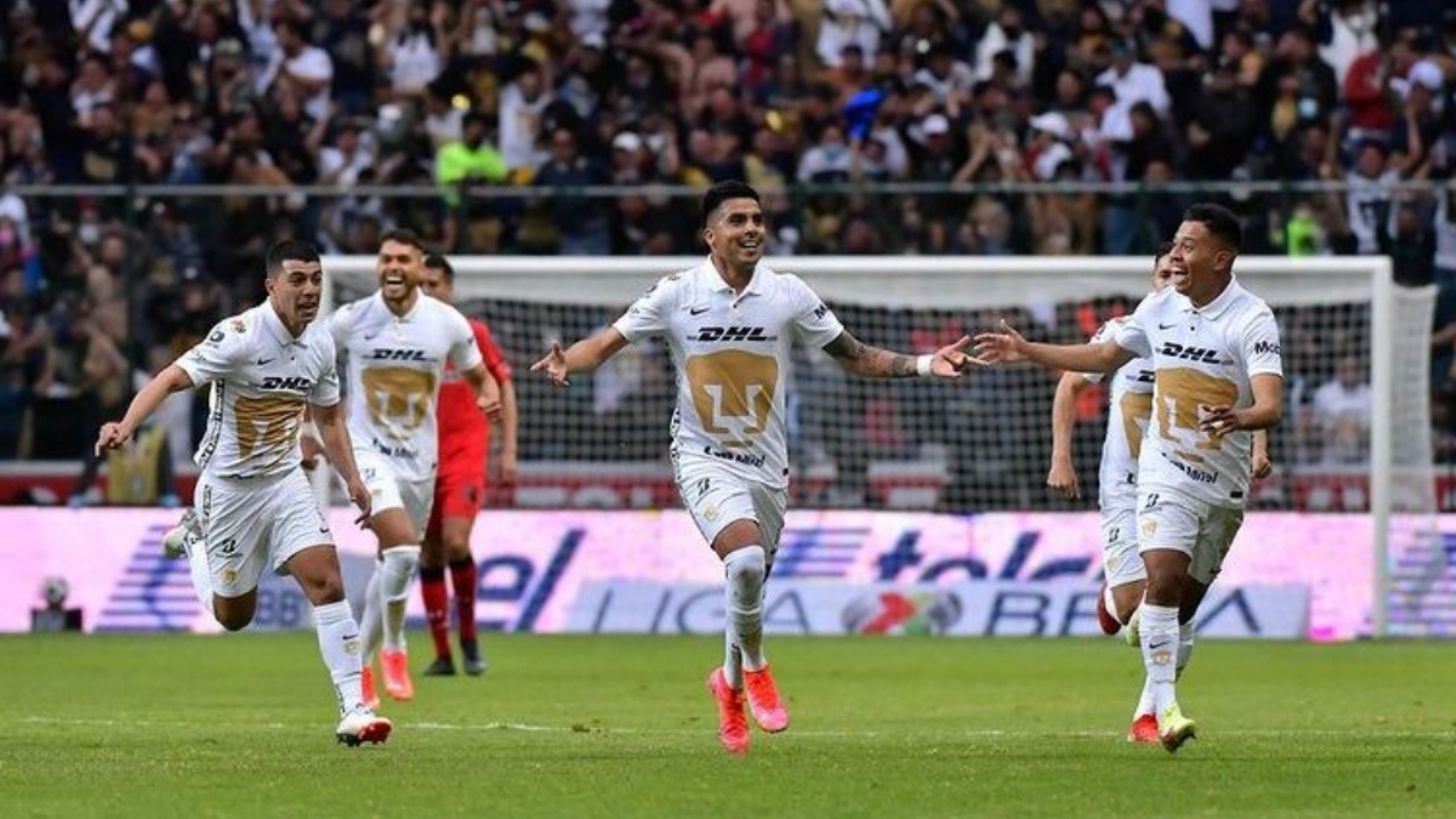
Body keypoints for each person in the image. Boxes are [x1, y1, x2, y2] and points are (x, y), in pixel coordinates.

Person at [531, 180, 980, 754]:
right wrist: (567, 360)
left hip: (768, 464)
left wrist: (923, 363)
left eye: (758, 219)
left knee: (747, 584)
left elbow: (855, 356)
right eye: (738, 220)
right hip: (702, 455)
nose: (751, 230)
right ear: (710, 235)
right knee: (742, 561)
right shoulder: (677, 293)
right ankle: (758, 669)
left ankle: (728, 685)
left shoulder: (787, 293)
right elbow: (604, 345)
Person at [978, 203, 1283, 753]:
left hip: (1223, 481)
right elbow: (1097, 357)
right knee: (1159, 585)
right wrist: (1025, 351)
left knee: (1176, 609)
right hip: (1156, 475)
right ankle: (1164, 710)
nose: (1177, 256)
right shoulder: (1156, 308)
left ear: (1221, 259)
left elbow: (1270, 405)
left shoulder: (1252, 319)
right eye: (1174, 246)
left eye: (1188, 247)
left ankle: (1150, 705)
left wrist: (1243, 421)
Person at [96, 240, 389, 746]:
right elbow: (170, 379)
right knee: (234, 617)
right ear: (271, 286)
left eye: (315, 279)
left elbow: (328, 418)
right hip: (229, 491)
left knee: (327, 582)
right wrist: (126, 425)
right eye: (297, 280)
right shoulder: (238, 336)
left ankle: (354, 709)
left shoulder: (320, 344)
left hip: (285, 482)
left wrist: (353, 479)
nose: (310, 289)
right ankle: (195, 540)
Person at [1044, 243, 1271, 744]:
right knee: (1136, 608)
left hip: (1190, 479)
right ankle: (1113, 600)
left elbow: (1250, 391)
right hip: (1127, 484)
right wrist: (1061, 456)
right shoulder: (1132, 328)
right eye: (1164, 272)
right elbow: (1070, 384)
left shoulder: (1218, 329)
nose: (1173, 278)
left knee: (1176, 605)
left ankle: (1149, 715)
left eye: (1178, 270)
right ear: (1153, 279)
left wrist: (1259, 446)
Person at [329, 230, 502, 708]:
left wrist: (488, 394)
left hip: (421, 462)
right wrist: (309, 425)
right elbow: (311, 363)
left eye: (402, 259)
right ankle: (395, 646)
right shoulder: (351, 319)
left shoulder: (447, 323)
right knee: (405, 551)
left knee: (394, 563)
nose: (392, 266)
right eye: (385, 258)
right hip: (367, 454)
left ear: (419, 267)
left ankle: (362, 667)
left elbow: (479, 375)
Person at [417, 253, 518, 676]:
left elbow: (503, 385)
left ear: (450, 289)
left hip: (465, 456)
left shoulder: (470, 333)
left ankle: (470, 639)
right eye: (420, 284)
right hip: (417, 459)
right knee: (427, 551)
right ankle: (442, 654)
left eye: (434, 284)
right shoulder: (403, 339)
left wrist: (508, 449)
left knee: (456, 542)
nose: (426, 291)